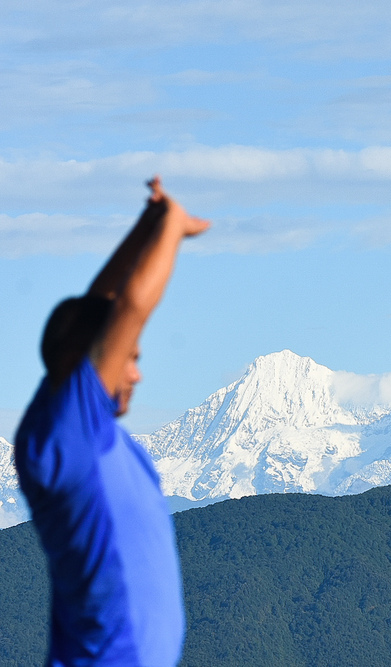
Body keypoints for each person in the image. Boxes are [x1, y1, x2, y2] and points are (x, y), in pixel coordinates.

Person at [15, 178, 209, 666]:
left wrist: (144, 227)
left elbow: (96, 304)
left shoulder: (67, 421)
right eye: (130, 356)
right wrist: (171, 229)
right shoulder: (67, 433)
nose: (137, 372)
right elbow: (128, 306)